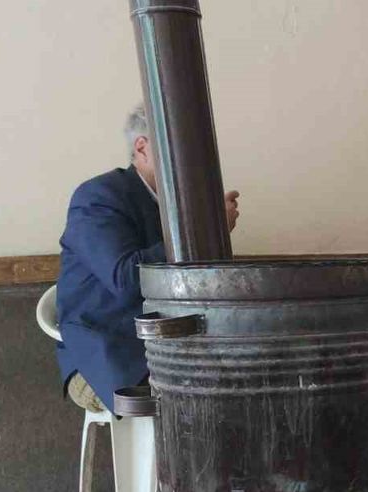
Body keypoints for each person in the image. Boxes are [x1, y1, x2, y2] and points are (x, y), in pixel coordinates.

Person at [54, 103, 240, 413]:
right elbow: (126, 278)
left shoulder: (174, 205)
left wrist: (211, 229)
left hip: (168, 345)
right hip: (108, 357)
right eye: (182, 147)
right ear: (142, 148)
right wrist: (206, 229)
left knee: (255, 377)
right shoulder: (97, 197)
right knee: (214, 398)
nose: (193, 160)